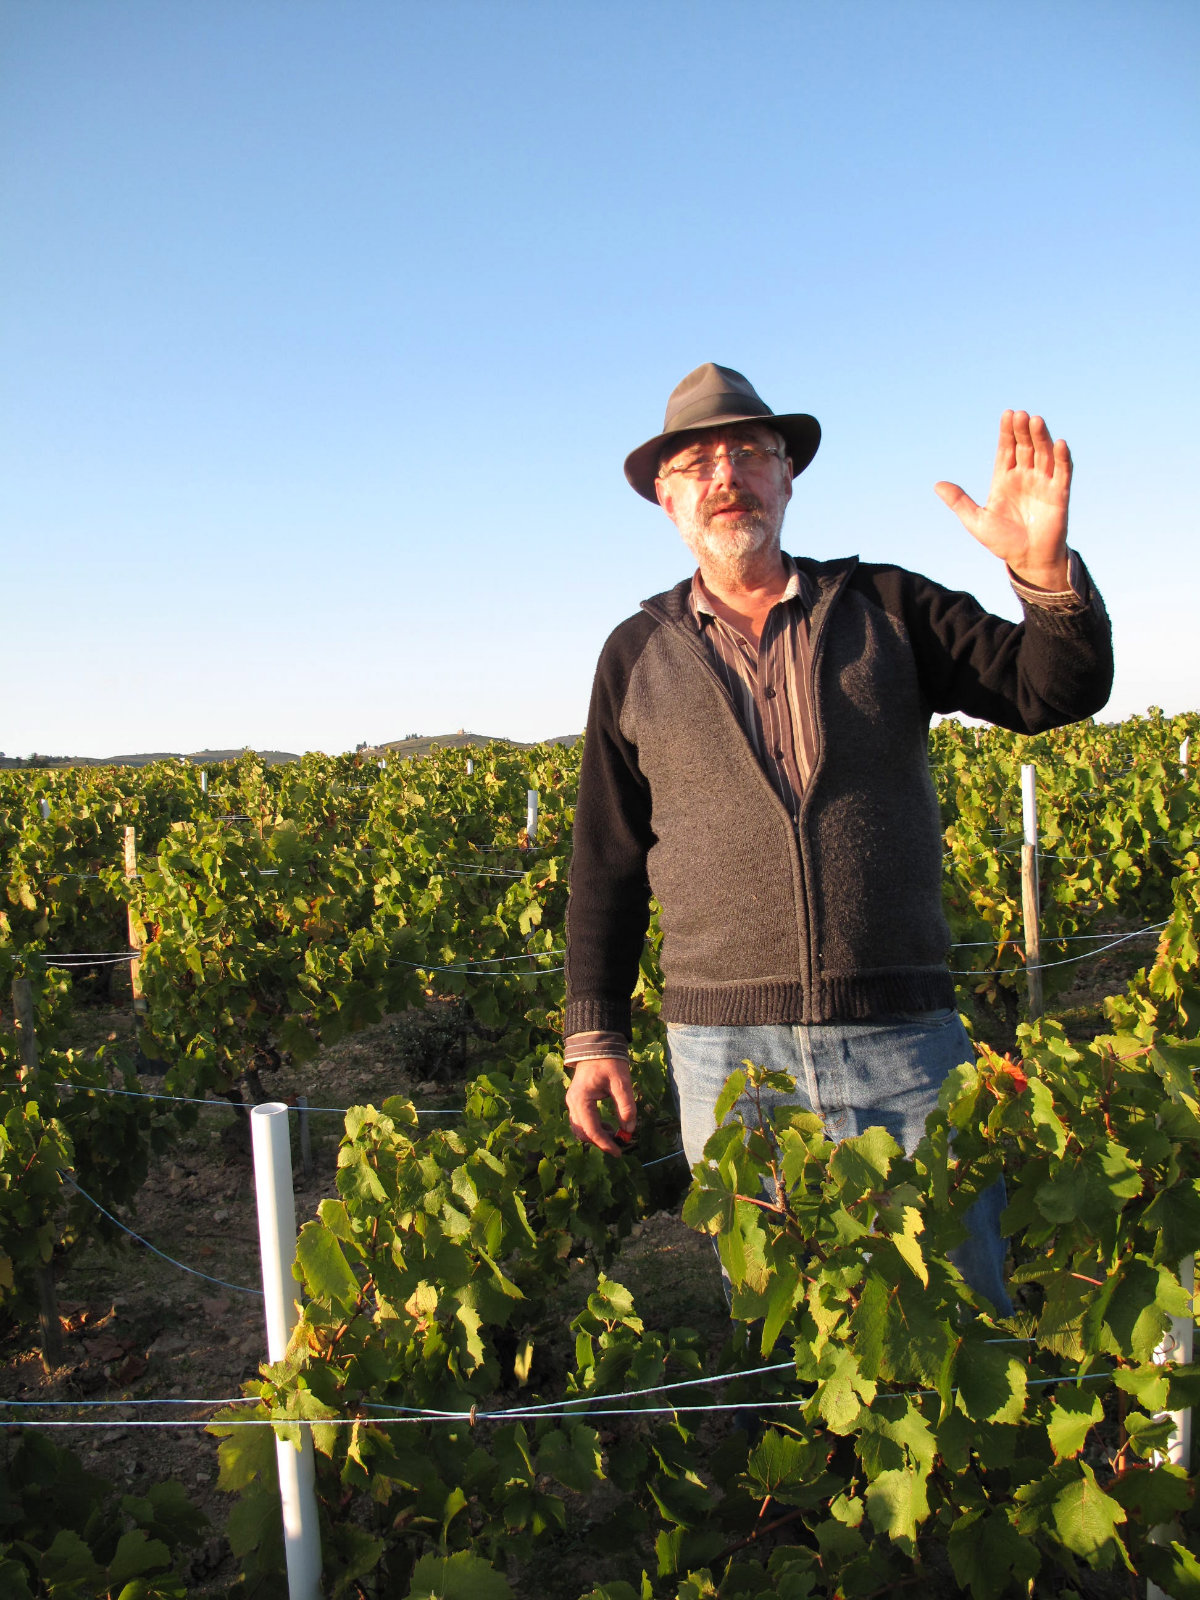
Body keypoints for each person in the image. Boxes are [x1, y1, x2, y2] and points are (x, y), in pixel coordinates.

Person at [561, 362, 1113, 1312]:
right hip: (724, 1061)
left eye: (748, 453)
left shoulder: (890, 608)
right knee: (784, 1329)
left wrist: (1042, 573)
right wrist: (593, 1032)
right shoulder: (635, 653)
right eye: (696, 464)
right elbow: (608, 859)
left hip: (903, 1039)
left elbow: (1052, 691)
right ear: (666, 498)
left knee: (955, 1306)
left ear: (787, 476)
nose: (725, 476)